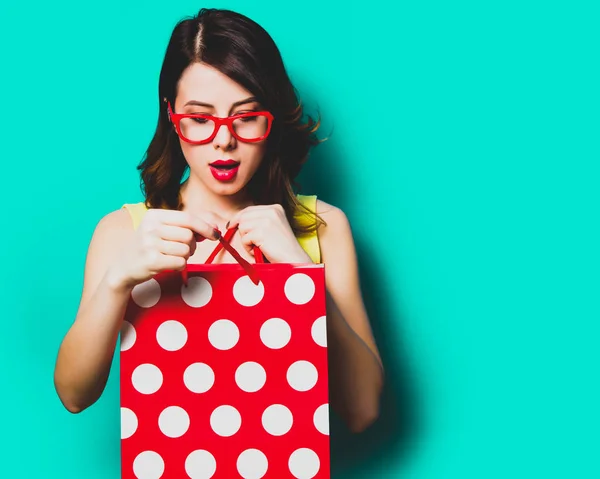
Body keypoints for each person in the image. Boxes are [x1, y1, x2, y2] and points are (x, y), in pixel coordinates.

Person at [53, 7, 383, 433]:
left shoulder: (322, 225)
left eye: (246, 116)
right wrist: (118, 281)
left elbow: (362, 409)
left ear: (272, 118)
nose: (224, 140)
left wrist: (301, 275)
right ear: (172, 117)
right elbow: (74, 396)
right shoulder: (125, 232)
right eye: (200, 119)